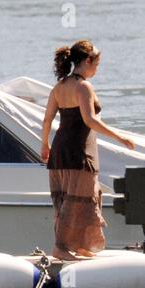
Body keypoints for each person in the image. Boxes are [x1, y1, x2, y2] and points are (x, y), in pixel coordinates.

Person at [41, 40, 135, 261]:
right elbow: (90, 120)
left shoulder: (60, 87)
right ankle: (61, 247)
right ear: (87, 61)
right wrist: (120, 137)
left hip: (60, 151)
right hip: (78, 152)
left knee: (81, 197)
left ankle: (79, 244)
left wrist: (44, 144)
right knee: (77, 200)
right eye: (97, 64)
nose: (97, 69)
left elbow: (47, 120)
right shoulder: (83, 86)